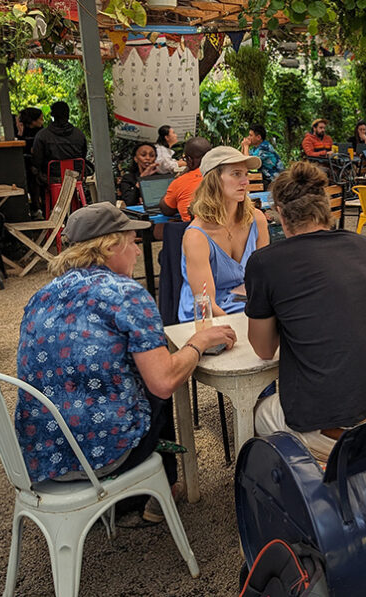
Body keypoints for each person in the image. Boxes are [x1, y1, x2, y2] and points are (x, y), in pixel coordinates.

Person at [15, 202, 236, 521]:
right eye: (133, 241)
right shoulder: (126, 294)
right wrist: (198, 343)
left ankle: (131, 502)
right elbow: (163, 382)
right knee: (158, 392)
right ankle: (157, 494)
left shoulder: (41, 296)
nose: (136, 251)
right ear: (111, 245)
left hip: (39, 458)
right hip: (100, 458)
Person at [246, 161, 366, 462]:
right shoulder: (362, 246)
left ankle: (310, 489)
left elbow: (264, 349)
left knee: (259, 412)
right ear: (326, 208)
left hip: (336, 429)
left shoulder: (264, 263)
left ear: (281, 215)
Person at [179, 146, 269, 322]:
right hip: (208, 318)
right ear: (214, 180)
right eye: (236, 174)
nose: (245, 182)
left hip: (246, 307)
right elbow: (206, 304)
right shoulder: (197, 236)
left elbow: (264, 279)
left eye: (246, 174)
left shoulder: (256, 220)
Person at [30, 101, 88, 186]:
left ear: (52, 115)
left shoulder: (42, 135)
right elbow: (83, 155)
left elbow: (37, 161)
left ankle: (41, 199)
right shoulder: (79, 134)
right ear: (68, 114)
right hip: (76, 177)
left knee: (35, 172)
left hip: (52, 178)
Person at [161, 136, 212, 221]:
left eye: (185, 159)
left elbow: (166, 210)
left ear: (189, 159)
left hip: (196, 231)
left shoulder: (181, 181)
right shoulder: (223, 174)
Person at [17, 108, 46, 216]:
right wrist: (20, 133)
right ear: (33, 121)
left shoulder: (42, 131)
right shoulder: (21, 131)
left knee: (36, 177)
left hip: (37, 163)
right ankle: (35, 207)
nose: (42, 121)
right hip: (26, 162)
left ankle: (39, 207)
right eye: (40, 119)